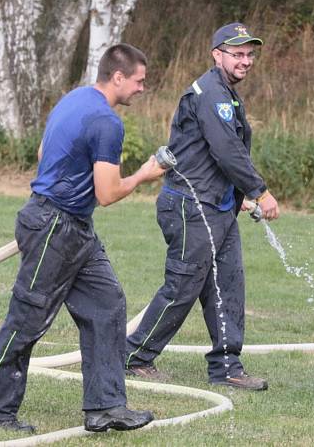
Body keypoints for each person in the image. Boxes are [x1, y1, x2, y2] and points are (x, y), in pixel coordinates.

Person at [0, 44, 165, 434]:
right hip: (54, 228)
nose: (143, 89)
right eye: (139, 81)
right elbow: (107, 193)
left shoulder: (74, 99)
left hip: (72, 226)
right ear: (118, 77)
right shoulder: (108, 123)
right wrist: (146, 174)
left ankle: (106, 407)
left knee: (108, 305)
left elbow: (45, 150)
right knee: (27, 319)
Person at [124, 23, 280, 391]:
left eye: (249, 54)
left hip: (215, 205)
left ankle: (227, 367)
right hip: (191, 207)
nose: (245, 61)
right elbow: (227, 150)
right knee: (183, 287)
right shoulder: (212, 93)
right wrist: (259, 191)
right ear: (217, 54)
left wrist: (236, 197)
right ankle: (134, 355)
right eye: (237, 54)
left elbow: (211, 154)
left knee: (227, 284)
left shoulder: (224, 93)